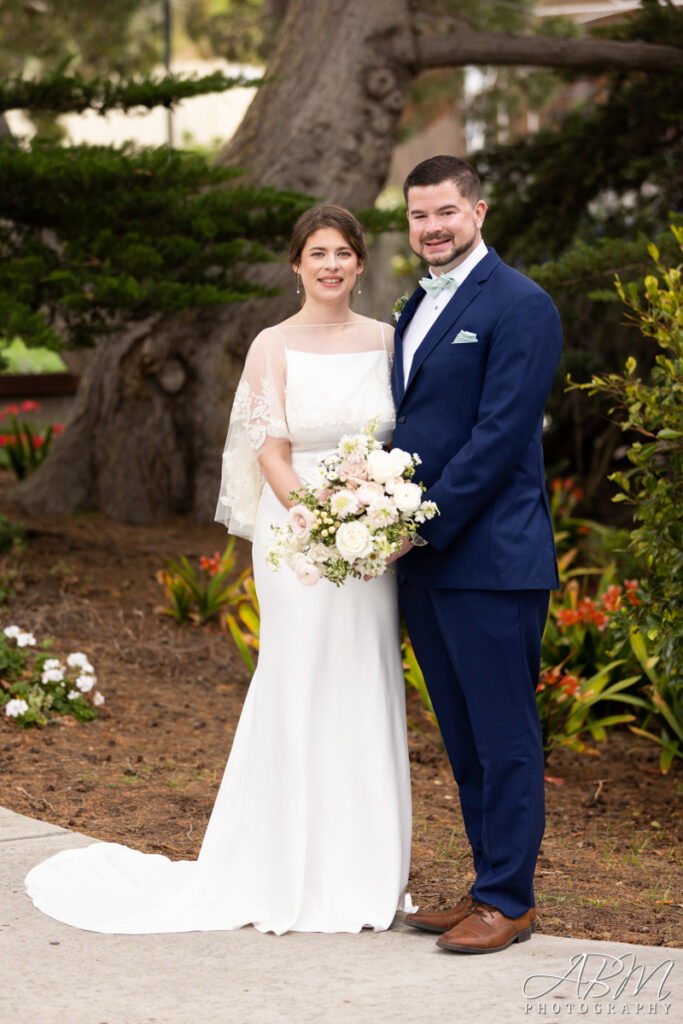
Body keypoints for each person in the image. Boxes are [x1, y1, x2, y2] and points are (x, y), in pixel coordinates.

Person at [25, 205, 412, 935]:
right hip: (296, 529)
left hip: (372, 539)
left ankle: (361, 871)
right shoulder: (273, 344)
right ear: (295, 265)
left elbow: (407, 437)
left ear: (360, 264)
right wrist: (318, 519)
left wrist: (377, 516)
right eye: (316, 253)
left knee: (364, 677)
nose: (330, 264)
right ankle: (281, 866)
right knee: (298, 678)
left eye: (342, 253)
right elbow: (269, 448)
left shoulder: (389, 343)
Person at [388, 155, 562, 954]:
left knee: (504, 734)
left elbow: (499, 436)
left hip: (489, 557)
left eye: (445, 212)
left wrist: (423, 519)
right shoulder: (410, 307)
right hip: (422, 559)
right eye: (419, 215)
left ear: (478, 211)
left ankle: (509, 901)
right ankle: (483, 880)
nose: (432, 228)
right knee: (461, 738)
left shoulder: (521, 305)